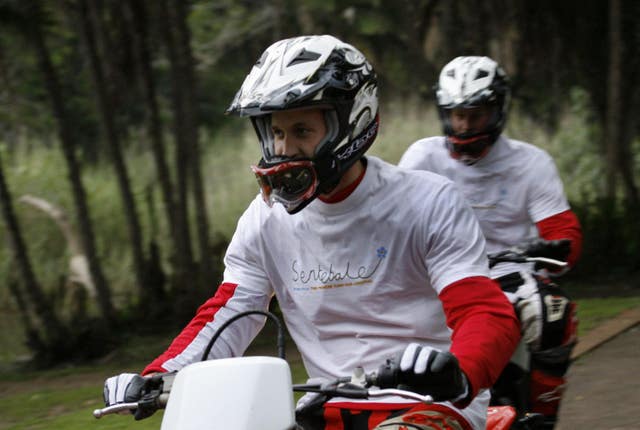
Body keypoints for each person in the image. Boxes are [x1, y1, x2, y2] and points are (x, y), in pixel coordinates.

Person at [103, 37, 520, 430]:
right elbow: (229, 310)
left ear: (352, 122)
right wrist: (160, 375)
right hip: (326, 409)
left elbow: (484, 313)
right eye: (276, 132)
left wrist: (459, 372)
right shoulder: (264, 218)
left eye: (301, 131)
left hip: (430, 404)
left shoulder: (428, 202)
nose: (283, 149)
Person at [398, 56, 582, 429]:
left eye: (475, 115)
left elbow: (565, 233)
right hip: (440, 277)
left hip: (511, 274)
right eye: (456, 115)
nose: (464, 125)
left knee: (553, 314)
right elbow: (396, 223)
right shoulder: (423, 156)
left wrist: (554, 247)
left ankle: (544, 415)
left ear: (498, 110)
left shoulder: (532, 163)